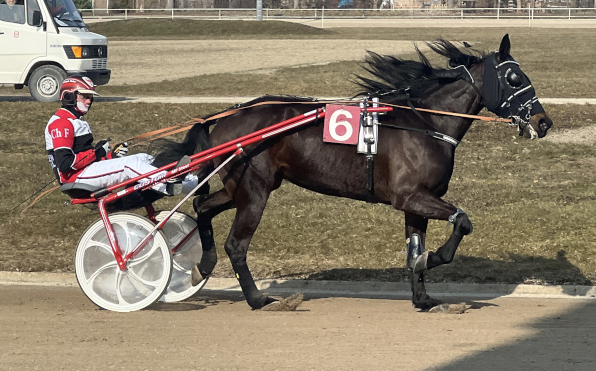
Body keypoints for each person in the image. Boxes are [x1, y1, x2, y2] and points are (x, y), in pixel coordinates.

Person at [44, 75, 198, 196]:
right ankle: (167, 184)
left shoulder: (75, 120)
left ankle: (193, 182)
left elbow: (87, 158)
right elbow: (66, 163)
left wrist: (111, 155)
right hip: (75, 178)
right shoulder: (61, 123)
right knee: (129, 166)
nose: (90, 100)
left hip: (85, 171)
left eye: (91, 97)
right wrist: (98, 151)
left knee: (142, 157)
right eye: (85, 96)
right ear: (69, 96)